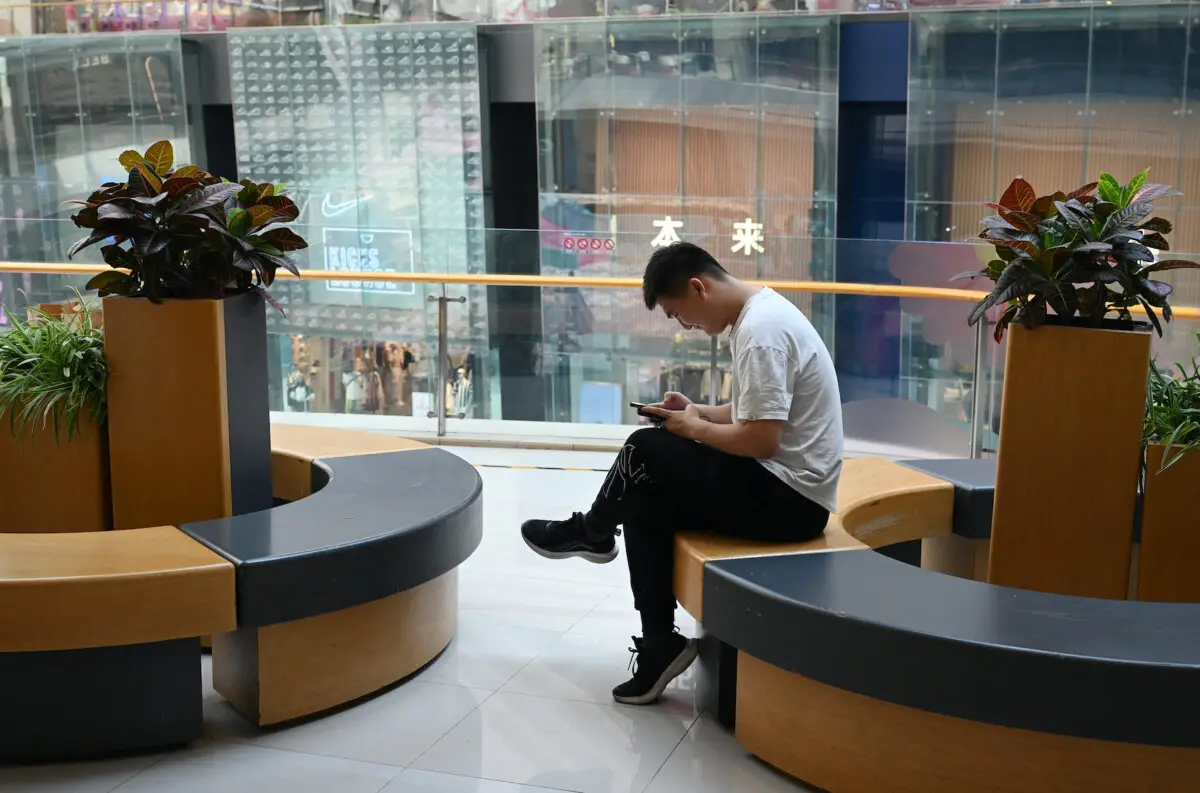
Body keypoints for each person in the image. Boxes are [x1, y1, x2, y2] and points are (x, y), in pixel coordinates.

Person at [522, 242, 844, 706]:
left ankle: (593, 531)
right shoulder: (762, 314)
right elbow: (758, 409)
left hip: (793, 501)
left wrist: (692, 429)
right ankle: (659, 643)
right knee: (643, 492)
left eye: (679, 315)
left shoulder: (761, 331)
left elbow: (761, 440)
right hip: (783, 487)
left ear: (698, 287)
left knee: (642, 447)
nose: (686, 327)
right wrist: (700, 414)